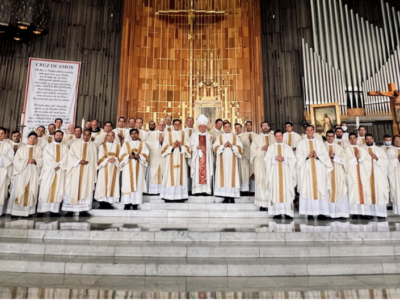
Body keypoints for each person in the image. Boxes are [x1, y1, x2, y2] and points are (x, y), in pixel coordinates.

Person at [296, 124, 333, 220]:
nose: (309, 132)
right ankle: (309, 213)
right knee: (308, 190)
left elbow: (325, 156)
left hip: (319, 170)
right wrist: (307, 156)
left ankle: (321, 212)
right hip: (306, 171)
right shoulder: (301, 144)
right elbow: (298, 157)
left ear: (314, 131)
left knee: (320, 189)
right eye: (307, 130)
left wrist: (318, 156)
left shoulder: (320, 143)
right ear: (305, 132)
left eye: (311, 130)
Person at [6, 132, 43, 218]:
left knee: (31, 191)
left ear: (36, 140)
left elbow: (42, 161)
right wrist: (26, 161)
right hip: (22, 173)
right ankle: (16, 212)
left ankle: (29, 212)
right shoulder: (21, 149)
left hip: (33, 173)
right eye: (31, 137)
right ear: (27, 138)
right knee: (19, 191)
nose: (32, 139)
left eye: (34, 138)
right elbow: (16, 161)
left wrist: (35, 161)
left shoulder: (39, 149)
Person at [63, 129, 97, 216]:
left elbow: (94, 160)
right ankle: (69, 210)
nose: (86, 136)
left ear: (90, 136)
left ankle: (84, 209)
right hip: (76, 170)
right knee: (73, 187)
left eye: (88, 135)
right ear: (82, 135)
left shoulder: (93, 145)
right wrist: (78, 161)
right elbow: (70, 156)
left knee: (86, 187)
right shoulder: (75, 144)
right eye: (85, 134)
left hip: (87, 171)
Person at [264, 130, 296, 219]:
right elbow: (266, 160)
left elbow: (293, 160)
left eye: (280, 136)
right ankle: (276, 212)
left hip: (286, 175)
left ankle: (287, 213)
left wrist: (284, 159)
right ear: (274, 137)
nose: (278, 137)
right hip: (274, 175)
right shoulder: (270, 148)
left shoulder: (288, 148)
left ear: (283, 136)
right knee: (275, 191)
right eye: (277, 136)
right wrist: (274, 159)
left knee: (286, 191)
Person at [37, 130, 68, 216]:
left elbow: (66, 158)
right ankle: (43, 210)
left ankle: (54, 210)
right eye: (57, 135)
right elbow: (46, 157)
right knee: (46, 188)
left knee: (58, 189)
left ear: (62, 137)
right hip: (49, 171)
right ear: (54, 136)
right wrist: (55, 165)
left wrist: (60, 165)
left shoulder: (65, 147)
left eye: (60, 135)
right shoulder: (48, 146)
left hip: (60, 171)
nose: (58, 137)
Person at [161, 119, 191, 202]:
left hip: (181, 159)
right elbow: (164, 147)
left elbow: (188, 146)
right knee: (170, 177)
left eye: (178, 124)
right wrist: (173, 147)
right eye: (175, 124)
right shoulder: (168, 134)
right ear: (173, 125)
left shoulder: (184, 134)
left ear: (180, 125)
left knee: (180, 177)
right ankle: (169, 196)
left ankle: (180, 196)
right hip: (171, 159)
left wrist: (181, 146)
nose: (177, 126)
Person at [213, 121, 243, 203]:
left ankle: (232, 197)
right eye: (225, 126)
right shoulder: (220, 137)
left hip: (232, 162)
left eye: (228, 126)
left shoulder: (235, 137)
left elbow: (240, 148)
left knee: (232, 178)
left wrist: (232, 146)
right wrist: (223, 145)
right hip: (222, 162)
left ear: (231, 127)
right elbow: (215, 147)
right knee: (224, 178)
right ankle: (225, 197)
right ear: (223, 128)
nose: (227, 128)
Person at [119, 129, 149, 210]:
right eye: (132, 134)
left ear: (138, 134)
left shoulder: (142, 144)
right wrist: (128, 156)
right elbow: (121, 155)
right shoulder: (125, 144)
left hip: (138, 168)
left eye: (135, 133)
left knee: (138, 184)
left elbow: (146, 155)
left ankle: (136, 202)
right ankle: (127, 203)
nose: (134, 135)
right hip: (128, 168)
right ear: (130, 135)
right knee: (127, 184)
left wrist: (139, 156)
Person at [361, 134, 389, 219]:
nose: (369, 140)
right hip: (366, 175)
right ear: (365, 140)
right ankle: (369, 213)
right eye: (367, 139)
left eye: (370, 138)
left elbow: (386, 162)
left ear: (373, 139)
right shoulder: (361, 149)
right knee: (367, 193)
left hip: (378, 175)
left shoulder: (379, 150)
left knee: (379, 193)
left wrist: (377, 159)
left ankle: (380, 214)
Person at [345, 133, 372, 220]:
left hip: (362, 174)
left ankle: (365, 213)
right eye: (351, 138)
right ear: (349, 140)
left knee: (364, 191)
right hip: (352, 175)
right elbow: (345, 163)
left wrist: (360, 159)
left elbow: (368, 161)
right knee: (353, 192)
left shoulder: (363, 150)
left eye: (354, 138)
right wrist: (354, 158)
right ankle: (355, 213)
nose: (353, 140)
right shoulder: (346, 150)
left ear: (357, 139)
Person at [251, 121, 276, 211]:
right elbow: (252, 149)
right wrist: (261, 149)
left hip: (271, 163)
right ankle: (262, 204)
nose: (265, 127)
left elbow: (277, 148)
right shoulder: (257, 138)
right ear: (261, 127)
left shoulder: (274, 137)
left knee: (271, 181)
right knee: (261, 181)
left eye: (266, 125)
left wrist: (269, 148)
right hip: (260, 162)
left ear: (269, 127)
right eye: (263, 126)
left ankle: (271, 202)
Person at [324, 130, 349, 219]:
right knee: (327, 192)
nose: (330, 138)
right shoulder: (322, 147)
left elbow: (345, 160)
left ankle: (340, 213)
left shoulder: (339, 148)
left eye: (332, 136)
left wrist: (334, 157)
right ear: (326, 137)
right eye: (328, 136)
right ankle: (327, 213)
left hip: (338, 173)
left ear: (334, 137)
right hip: (326, 174)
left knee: (340, 191)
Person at [95, 131, 121, 209]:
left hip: (114, 168)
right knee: (103, 184)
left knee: (112, 184)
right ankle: (102, 201)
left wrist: (115, 159)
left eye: (112, 136)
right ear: (106, 137)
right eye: (108, 135)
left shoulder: (118, 146)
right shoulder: (102, 146)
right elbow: (100, 157)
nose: (110, 137)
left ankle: (110, 201)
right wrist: (108, 160)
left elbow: (120, 157)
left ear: (114, 137)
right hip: (104, 168)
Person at [190, 115, 214, 195]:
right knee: (197, 173)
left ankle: (206, 190)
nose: (203, 128)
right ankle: (197, 191)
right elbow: (190, 145)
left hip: (206, 159)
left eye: (204, 127)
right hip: (197, 159)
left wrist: (212, 141)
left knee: (207, 172)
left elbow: (212, 148)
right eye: (201, 126)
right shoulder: (194, 135)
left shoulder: (209, 136)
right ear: (198, 127)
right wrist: (196, 147)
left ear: (206, 127)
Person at [146, 120, 166, 194]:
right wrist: (158, 143)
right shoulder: (153, 134)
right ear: (158, 125)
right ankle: (154, 191)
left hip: (164, 157)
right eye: (160, 125)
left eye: (163, 125)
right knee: (154, 173)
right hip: (154, 156)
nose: (161, 126)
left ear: (165, 126)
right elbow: (148, 143)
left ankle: (162, 190)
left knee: (163, 172)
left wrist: (162, 142)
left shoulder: (167, 134)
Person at [0, 127, 13, 216]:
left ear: (5, 135)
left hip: (2, 171)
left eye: (1, 134)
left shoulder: (8, 146)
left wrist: (1, 159)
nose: (0, 135)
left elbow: (11, 158)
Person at [235, 123, 251, 192]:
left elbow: (247, 147)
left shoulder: (245, 137)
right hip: (235, 158)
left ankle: (244, 190)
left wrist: (241, 152)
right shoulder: (233, 136)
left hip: (243, 158)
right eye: (236, 128)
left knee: (244, 174)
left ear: (241, 128)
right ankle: (236, 189)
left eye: (239, 128)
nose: (237, 129)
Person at [387, 135, 400, 214]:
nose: (398, 142)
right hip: (395, 176)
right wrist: (397, 159)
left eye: (399, 140)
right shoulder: (390, 151)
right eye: (396, 141)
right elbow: (387, 164)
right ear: (393, 142)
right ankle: (398, 211)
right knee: (397, 192)